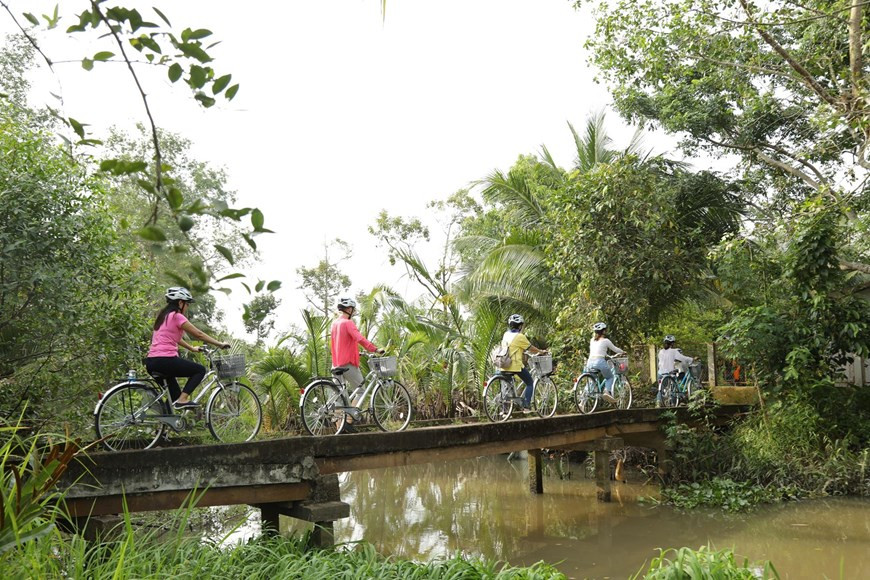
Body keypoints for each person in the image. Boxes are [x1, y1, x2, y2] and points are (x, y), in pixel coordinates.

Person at [145, 287, 230, 409]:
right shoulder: (177, 316)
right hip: (165, 360)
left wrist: (191, 348)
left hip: (151, 362)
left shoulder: (163, 317)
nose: (187, 307)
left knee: (174, 398)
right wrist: (219, 344)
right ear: (180, 303)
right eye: (187, 304)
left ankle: (165, 417)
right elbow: (199, 334)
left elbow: (175, 338)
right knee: (200, 370)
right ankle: (183, 399)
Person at [330, 297, 383, 431]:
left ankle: (340, 428)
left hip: (335, 364)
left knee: (339, 396)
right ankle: (349, 420)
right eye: (352, 309)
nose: (353, 312)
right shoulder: (348, 323)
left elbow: (339, 344)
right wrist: (375, 349)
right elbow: (359, 338)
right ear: (348, 309)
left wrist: (355, 352)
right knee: (361, 391)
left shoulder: (335, 324)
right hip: (347, 365)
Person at [500, 314, 547, 411]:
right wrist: (541, 351)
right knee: (530, 382)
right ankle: (526, 406)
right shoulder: (520, 336)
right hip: (514, 365)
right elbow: (530, 348)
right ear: (520, 326)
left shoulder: (506, 334)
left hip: (503, 364)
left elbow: (512, 347)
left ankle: (505, 411)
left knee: (506, 387)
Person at [585, 322, 625, 403]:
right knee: (610, 377)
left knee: (592, 381)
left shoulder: (592, 340)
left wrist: (606, 355)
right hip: (599, 362)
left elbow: (597, 351)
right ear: (603, 331)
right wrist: (623, 352)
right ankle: (607, 391)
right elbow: (615, 349)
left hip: (589, 363)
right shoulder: (606, 341)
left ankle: (582, 403)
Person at [656, 334, 693, 404]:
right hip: (669, 373)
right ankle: (673, 404)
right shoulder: (674, 351)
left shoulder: (661, 351)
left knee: (661, 390)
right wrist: (692, 359)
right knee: (673, 389)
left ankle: (658, 403)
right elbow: (683, 358)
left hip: (660, 373)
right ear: (672, 343)